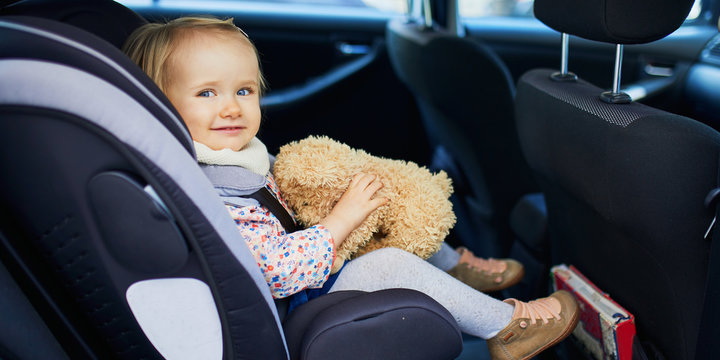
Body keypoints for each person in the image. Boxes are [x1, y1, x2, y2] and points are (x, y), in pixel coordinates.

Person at [122, 16, 579, 360]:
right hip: (288, 305)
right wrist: (341, 221)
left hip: (307, 270)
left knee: (385, 209)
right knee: (387, 262)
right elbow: (276, 270)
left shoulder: (235, 161)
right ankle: (507, 329)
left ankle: (456, 266)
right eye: (206, 94)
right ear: (159, 107)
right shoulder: (210, 190)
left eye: (244, 91)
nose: (231, 108)